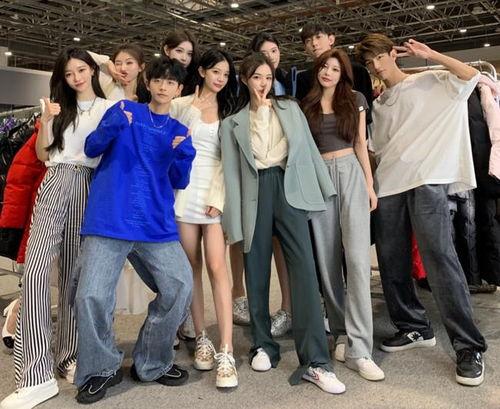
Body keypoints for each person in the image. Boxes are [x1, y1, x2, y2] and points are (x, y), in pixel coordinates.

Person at [356, 34, 487, 386]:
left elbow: (471, 76)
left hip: (428, 179)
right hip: (389, 185)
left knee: (439, 258)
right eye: (369, 63)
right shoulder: (379, 104)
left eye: (379, 58)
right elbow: (375, 150)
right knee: (391, 260)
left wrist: (431, 54)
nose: (375, 66)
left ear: (391, 54)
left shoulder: (430, 81)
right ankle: (414, 326)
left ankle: (469, 345)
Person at [220, 52, 345, 394]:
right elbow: (231, 174)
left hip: (289, 188)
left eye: (267, 76)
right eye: (256, 77)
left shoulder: (290, 108)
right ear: (244, 80)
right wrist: (232, 222)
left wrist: (324, 189)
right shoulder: (233, 122)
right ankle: (262, 344)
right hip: (254, 193)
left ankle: (316, 360)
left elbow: (307, 151)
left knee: (304, 270)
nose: (263, 83)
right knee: (256, 268)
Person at [73, 56, 195, 404]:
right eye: (158, 80)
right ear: (148, 83)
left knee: (181, 286)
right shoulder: (124, 110)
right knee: (91, 295)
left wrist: (182, 155)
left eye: (170, 82)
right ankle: (100, 368)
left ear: (178, 89)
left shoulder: (178, 131)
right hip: (110, 218)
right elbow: (92, 147)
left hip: (155, 224)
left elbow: (179, 181)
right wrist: (112, 127)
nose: (163, 87)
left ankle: (152, 362)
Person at [0, 47, 116, 409]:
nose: (76, 78)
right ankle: (35, 375)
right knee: (34, 273)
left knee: (73, 275)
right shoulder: (57, 107)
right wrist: (48, 120)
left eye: (81, 69)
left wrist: (103, 61)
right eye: (69, 73)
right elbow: (42, 154)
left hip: (89, 184)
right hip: (55, 179)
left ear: (92, 69)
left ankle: (69, 355)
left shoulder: (109, 107)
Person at [301, 48, 384, 381]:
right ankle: (340, 332)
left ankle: (360, 349)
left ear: (343, 73)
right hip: (319, 177)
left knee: (359, 262)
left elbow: (361, 144)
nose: (328, 72)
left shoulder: (355, 99)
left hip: (350, 171)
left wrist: (369, 185)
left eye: (335, 68)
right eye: (324, 67)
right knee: (327, 260)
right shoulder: (306, 105)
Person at [170, 48, 238, 388]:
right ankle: (201, 337)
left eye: (225, 74)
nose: (221, 78)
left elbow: (229, 160)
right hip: (183, 193)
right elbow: (169, 143)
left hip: (213, 195)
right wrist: (190, 114)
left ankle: (227, 348)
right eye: (215, 72)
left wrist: (219, 199)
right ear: (201, 71)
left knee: (217, 266)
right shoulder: (180, 104)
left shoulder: (230, 109)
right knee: (190, 267)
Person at [228, 32, 293, 336]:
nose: (271, 56)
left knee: (284, 245)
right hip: (253, 175)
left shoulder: (287, 87)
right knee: (249, 242)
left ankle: (288, 309)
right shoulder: (240, 97)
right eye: (264, 53)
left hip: (282, 175)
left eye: (275, 50)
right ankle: (242, 299)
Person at [296, 22, 373, 114]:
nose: (314, 43)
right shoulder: (303, 79)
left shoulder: (357, 71)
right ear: (305, 48)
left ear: (331, 39)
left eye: (318, 37)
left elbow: (367, 112)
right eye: (308, 41)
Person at [161, 29, 200, 97]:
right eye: (179, 51)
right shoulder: (153, 75)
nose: (184, 58)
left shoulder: (195, 83)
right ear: (167, 50)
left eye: (189, 54)